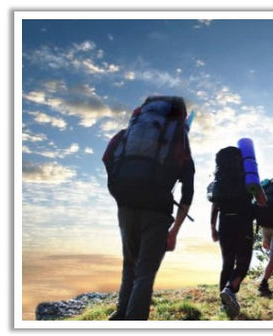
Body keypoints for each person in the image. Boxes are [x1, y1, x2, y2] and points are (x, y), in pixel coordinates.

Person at [106, 96, 195, 320]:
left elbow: (109, 155)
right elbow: (188, 190)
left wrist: (121, 193)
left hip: (126, 206)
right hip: (157, 211)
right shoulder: (179, 139)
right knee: (145, 273)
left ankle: (120, 315)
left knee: (130, 265)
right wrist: (174, 231)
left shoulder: (135, 128)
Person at [209, 146, 266, 319]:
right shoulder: (247, 178)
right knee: (243, 263)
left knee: (227, 263)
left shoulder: (218, 181)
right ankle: (230, 289)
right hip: (243, 223)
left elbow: (215, 205)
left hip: (225, 223)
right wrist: (256, 187)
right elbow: (262, 202)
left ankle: (224, 305)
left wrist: (213, 227)